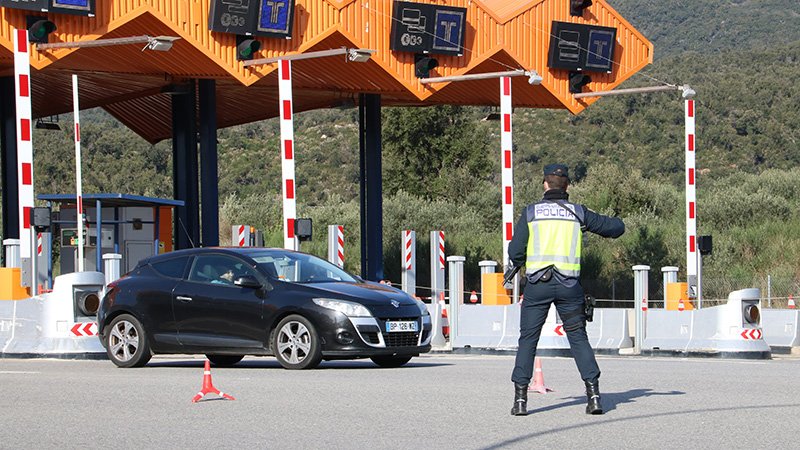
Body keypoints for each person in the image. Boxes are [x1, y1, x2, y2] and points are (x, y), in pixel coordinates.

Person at [508, 163, 624, 416]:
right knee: (578, 338)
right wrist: (618, 218)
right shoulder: (577, 212)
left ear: (544, 184)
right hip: (569, 285)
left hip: (538, 285)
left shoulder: (531, 213)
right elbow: (615, 228)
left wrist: (523, 261)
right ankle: (594, 396)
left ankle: (520, 401)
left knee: (528, 339)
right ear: (568, 186)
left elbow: (515, 252)